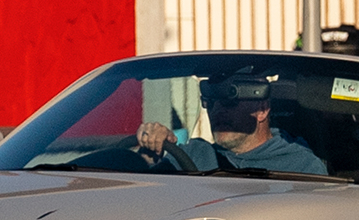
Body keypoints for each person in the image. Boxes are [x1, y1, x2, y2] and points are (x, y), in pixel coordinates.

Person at [134, 74, 328, 175]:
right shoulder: (192, 154)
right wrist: (151, 152)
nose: (217, 112)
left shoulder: (302, 165)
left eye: (229, 103)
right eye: (210, 104)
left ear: (262, 110)